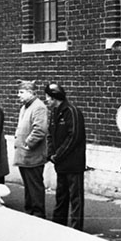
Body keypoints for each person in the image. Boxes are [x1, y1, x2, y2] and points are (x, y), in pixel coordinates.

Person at [45, 83, 86, 230]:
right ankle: (58, 225)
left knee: (76, 199)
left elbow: (73, 136)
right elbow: (50, 134)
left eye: (48, 97)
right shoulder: (54, 113)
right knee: (61, 197)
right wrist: (51, 154)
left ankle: (76, 228)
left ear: (55, 97)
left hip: (73, 163)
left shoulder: (71, 111)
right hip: (60, 163)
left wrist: (58, 154)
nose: (47, 100)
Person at [13, 80, 49, 218]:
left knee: (34, 186)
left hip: (32, 155)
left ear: (31, 92)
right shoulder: (25, 107)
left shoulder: (38, 107)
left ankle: (38, 214)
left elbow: (40, 129)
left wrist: (28, 144)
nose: (18, 95)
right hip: (25, 155)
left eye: (21, 92)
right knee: (28, 187)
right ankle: (30, 213)